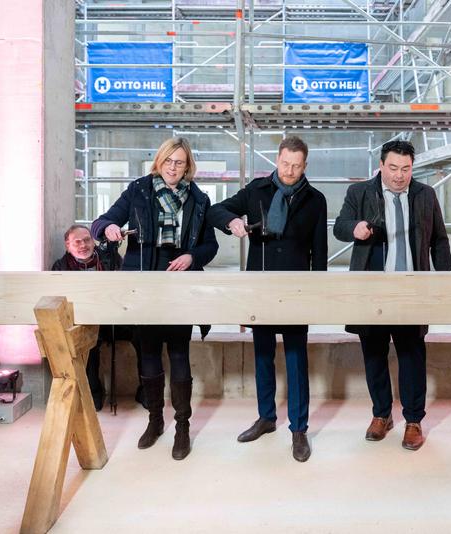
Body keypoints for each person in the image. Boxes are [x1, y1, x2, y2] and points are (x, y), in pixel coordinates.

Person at [91, 137, 219, 460]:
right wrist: (108, 229)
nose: (173, 168)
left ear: (188, 166)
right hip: (144, 284)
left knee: (178, 354)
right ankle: (155, 421)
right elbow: (100, 222)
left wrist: (191, 257)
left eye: (179, 162)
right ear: (158, 162)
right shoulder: (138, 191)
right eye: (168, 161)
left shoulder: (199, 200)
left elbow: (210, 245)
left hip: (180, 284)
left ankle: (182, 428)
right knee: (147, 353)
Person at [207, 136, 327, 462]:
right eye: (285, 164)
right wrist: (232, 221)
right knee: (262, 356)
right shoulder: (256, 191)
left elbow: (321, 253)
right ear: (277, 158)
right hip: (259, 286)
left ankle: (299, 429)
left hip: (295, 289)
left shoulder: (315, 200)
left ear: (305, 165)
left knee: (296, 359)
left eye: (297, 166)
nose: (289, 171)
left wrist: (316, 294)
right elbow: (217, 209)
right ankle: (266, 418)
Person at [333, 140, 451, 451]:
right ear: (382, 166)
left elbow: (439, 239)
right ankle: (381, 414)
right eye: (394, 168)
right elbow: (340, 226)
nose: (400, 176)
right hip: (372, 288)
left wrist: (446, 280)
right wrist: (355, 228)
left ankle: (413, 420)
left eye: (406, 169)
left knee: (412, 354)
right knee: (373, 352)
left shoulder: (425, 195)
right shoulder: (359, 193)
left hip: (412, 288)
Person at [51, 224, 122, 411]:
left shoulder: (110, 259)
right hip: (82, 319)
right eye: (77, 242)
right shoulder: (60, 267)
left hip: (112, 316)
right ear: (68, 246)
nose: (83, 245)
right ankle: (93, 394)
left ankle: (145, 392)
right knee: (88, 342)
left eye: (87, 240)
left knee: (142, 336)